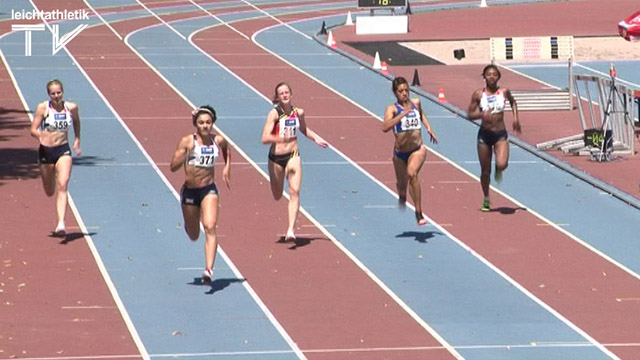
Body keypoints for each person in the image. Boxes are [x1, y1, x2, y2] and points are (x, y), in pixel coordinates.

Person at [170, 105, 231, 283]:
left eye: (208, 122)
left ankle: (209, 270)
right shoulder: (188, 142)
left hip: (208, 189)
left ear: (213, 123)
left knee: (210, 226)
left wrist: (227, 167)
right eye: (201, 123)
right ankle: (189, 223)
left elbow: (227, 148)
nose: (205, 126)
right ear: (195, 124)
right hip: (190, 191)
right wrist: (185, 156)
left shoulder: (217, 141)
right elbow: (173, 167)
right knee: (194, 235)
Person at [261, 82, 328, 242]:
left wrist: (316, 139)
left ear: (291, 94)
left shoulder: (299, 113)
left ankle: (291, 230)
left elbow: (304, 129)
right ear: (277, 97)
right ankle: (289, 225)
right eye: (281, 93)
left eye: (286, 92)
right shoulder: (274, 114)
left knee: (294, 192)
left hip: (293, 155)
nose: (284, 95)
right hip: (276, 158)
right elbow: (264, 138)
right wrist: (280, 138)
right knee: (277, 195)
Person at [382, 76, 438, 226]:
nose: (404, 93)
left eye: (406, 90)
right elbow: (385, 127)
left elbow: (421, 114)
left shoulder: (416, 103)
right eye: (401, 91)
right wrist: (402, 115)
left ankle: (418, 212)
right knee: (402, 185)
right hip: (400, 154)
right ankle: (402, 194)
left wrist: (428, 128)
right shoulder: (392, 109)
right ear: (395, 93)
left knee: (412, 173)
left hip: (417, 149)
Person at [30, 79, 81, 236]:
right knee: (49, 190)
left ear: (63, 92)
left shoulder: (71, 107)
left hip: (63, 150)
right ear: (49, 94)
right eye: (53, 93)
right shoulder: (43, 108)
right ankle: (48, 177)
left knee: (63, 183)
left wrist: (77, 139)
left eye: (59, 92)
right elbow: (33, 129)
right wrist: (41, 135)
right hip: (46, 152)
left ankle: (61, 223)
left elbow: (77, 122)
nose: (56, 96)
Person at [467, 64, 521, 212]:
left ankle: (499, 167)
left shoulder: (503, 92)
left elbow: (513, 102)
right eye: (488, 74)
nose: (491, 77)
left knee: (503, 164)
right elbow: (469, 114)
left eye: (494, 74)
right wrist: (481, 115)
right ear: (484, 77)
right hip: (484, 136)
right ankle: (486, 198)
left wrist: (516, 119)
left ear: (498, 77)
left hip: (500, 134)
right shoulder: (478, 94)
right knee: (485, 171)